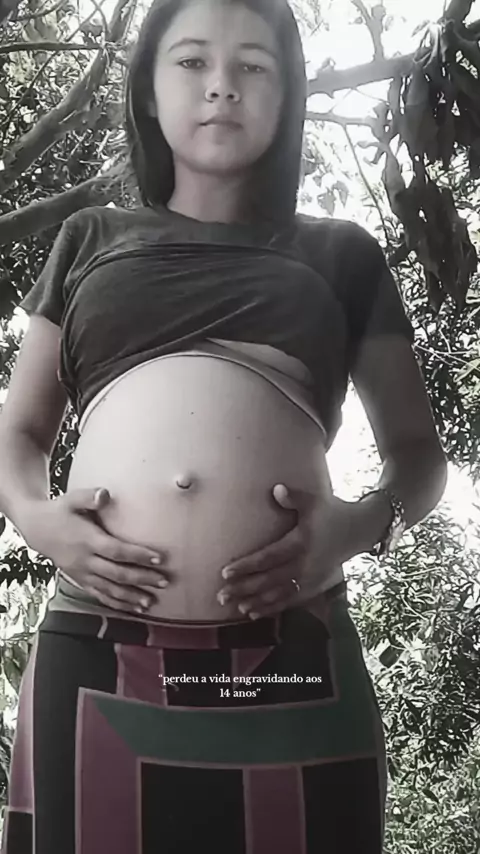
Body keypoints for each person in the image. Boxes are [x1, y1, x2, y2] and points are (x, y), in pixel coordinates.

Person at [0, 0, 447, 851]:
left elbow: (419, 456)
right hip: (96, 644)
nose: (221, 87)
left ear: (286, 94)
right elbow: (18, 435)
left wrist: (358, 526)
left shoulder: (342, 254)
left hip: (290, 651)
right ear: (149, 88)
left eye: (253, 66)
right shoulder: (88, 240)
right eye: (193, 61)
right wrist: (35, 517)